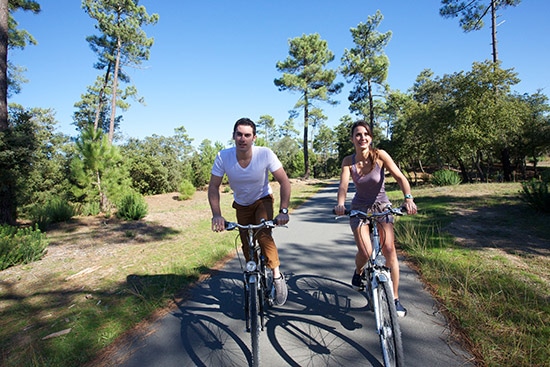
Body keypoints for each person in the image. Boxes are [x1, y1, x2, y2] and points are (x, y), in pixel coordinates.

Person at [334, 120, 417, 317]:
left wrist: (408, 198)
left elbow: (400, 177)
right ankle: (359, 271)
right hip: (359, 209)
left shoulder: (380, 155)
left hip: (382, 207)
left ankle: (394, 298)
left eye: (366, 134)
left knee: (389, 251)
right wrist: (340, 204)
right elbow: (343, 186)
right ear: (352, 138)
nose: (362, 138)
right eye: (358, 135)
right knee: (366, 250)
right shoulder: (348, 161)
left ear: (370, 138)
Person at [208, 117, 291, 306]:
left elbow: (284, 181)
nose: (242, 139)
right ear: (233, 136)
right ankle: (252, 276)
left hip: (263, 200)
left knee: (263, 234)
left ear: (254, 137)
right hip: (241, 205)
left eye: (247, 135)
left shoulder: (265, 154)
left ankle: (277, 276)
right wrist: (217, 215)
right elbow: (214, 187)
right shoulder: (223, 156)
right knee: (246, 243)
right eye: (239, 134)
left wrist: (283, 210)